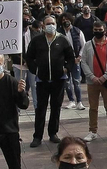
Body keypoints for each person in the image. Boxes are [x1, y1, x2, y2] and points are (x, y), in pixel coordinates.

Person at [24, 17, 76, 148]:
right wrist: (35, 70)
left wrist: (66, 69)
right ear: (43, 25)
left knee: (56, 107)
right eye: (48, 24)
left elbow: (71, 57)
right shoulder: (37, 40)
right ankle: (37, 136)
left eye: (52, 23)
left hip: (59, 80)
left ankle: (53, 133)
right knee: (40, 108)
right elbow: (29, 57)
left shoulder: (62, 39)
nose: (50, 26)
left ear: (56, 24)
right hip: (42, 80)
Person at [80, 23, 107, 142]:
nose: (98, 31)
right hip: (92, 81)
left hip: (106, 81)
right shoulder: (88, 45)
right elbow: (83, 62)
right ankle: (92, 131)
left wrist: (106, 75)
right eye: (96, 29)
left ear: (105, 30)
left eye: (100, 29)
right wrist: (91, 76)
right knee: (93, 107)